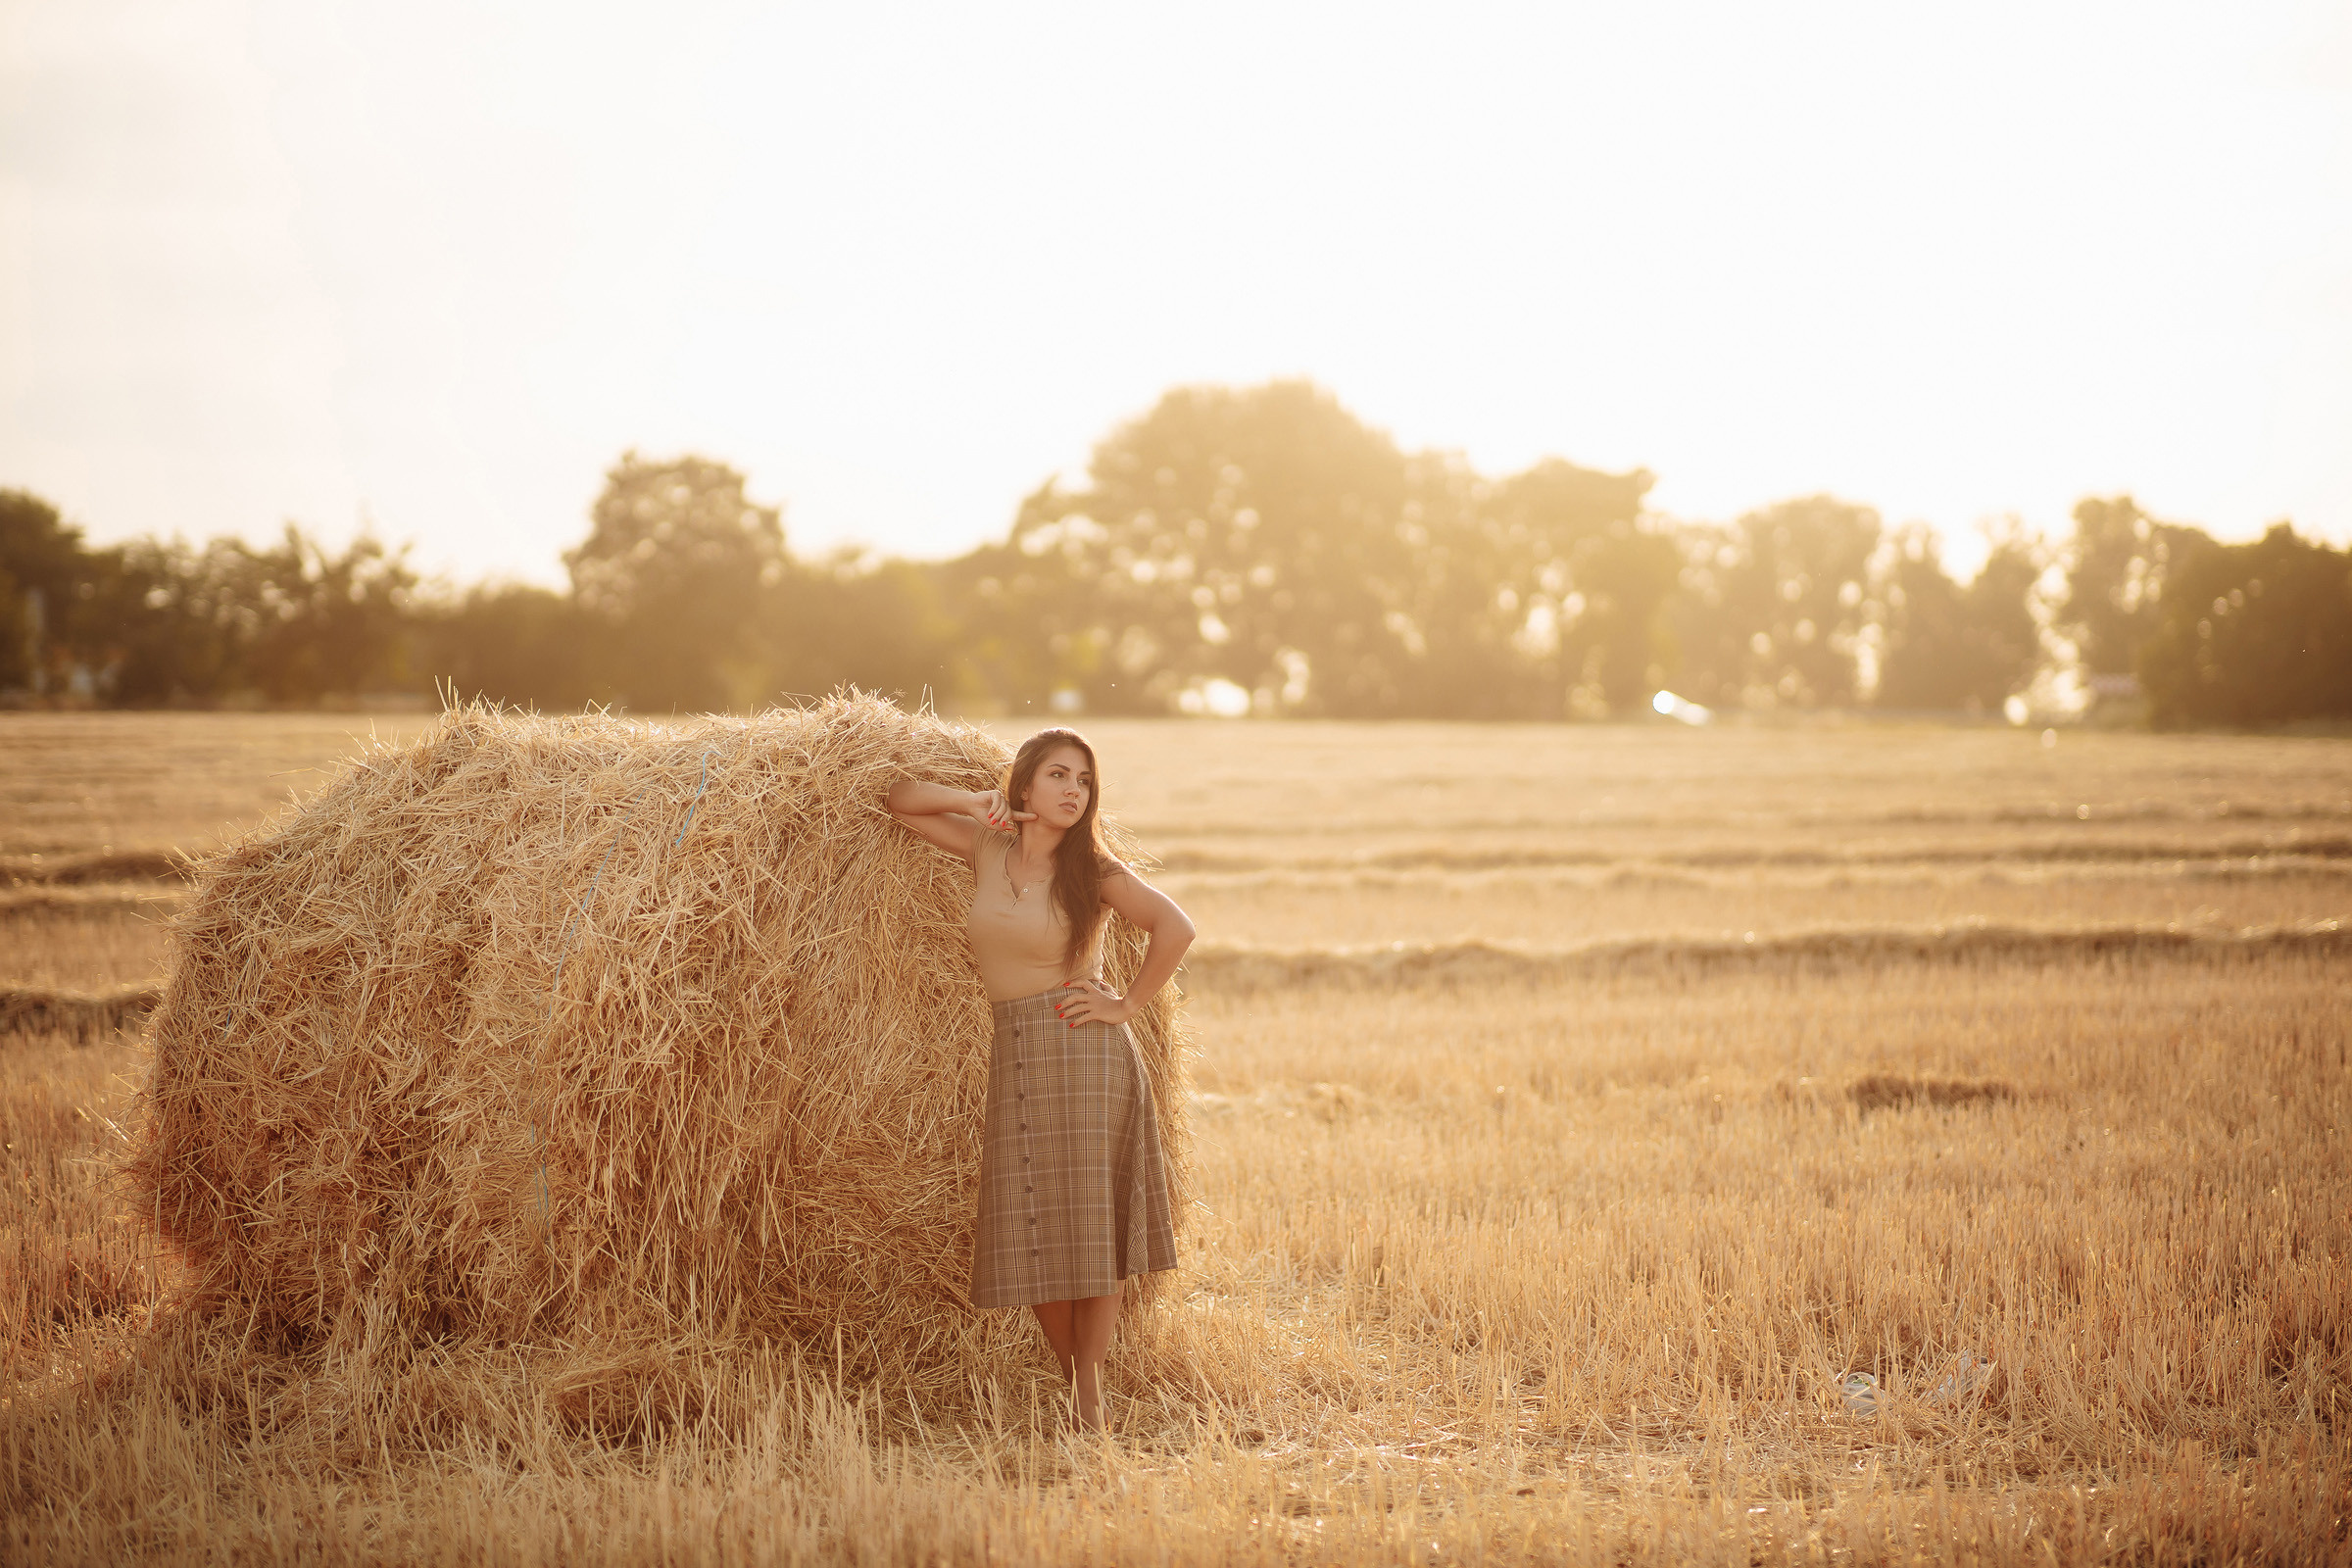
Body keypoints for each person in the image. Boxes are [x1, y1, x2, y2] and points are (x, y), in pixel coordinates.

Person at [885, 728, 1195, 1431]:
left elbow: (1175, 926)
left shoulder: (1095, 871)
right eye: (1057, 776)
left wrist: (1125, 1004)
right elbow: (899, 802)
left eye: (1083, 782)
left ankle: (1088, 1391)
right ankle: (1075, 1375)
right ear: (1024, 786)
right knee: (1029, 1229)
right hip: (1017, 1050)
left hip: (1085, 1050)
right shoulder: (988, 849)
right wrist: (972, 797)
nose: (1072, 791)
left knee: (1092, 1230)